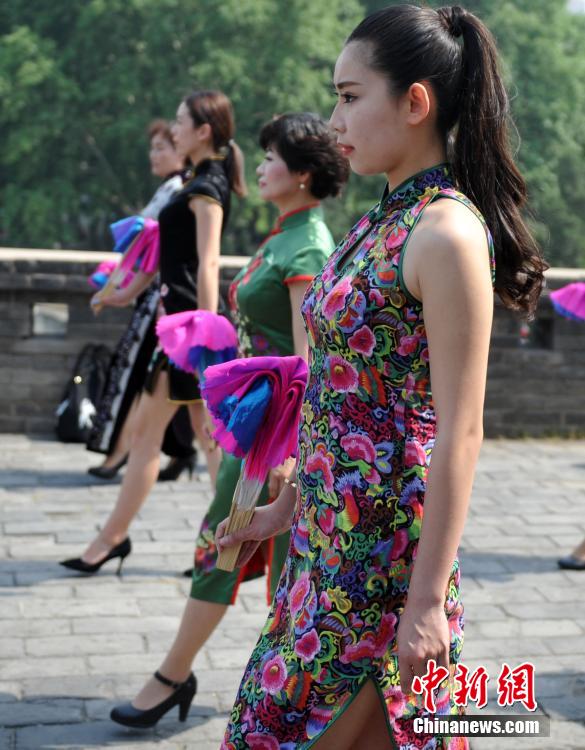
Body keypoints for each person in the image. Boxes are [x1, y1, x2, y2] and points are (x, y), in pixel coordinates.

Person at [216, 5, 547, 749]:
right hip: (324, 547)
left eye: (349, 95)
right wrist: (286, 507)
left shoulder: (446, 233)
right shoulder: (382, 219)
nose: (335, 118)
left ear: (415, 102)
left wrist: (425, 602)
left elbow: (460, 430)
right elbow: (339, 389)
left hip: (384, 565)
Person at [109, 112, 350, 729]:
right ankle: (211, 680)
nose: (259, 167)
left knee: (246, 547)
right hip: (255, 427)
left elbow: (309, 361)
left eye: (271, 158)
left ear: (302, 174)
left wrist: (290, 454)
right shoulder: (285, 235)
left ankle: (191, 680)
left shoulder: (308, 246)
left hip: (276, 437)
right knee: (233, 545)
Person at [60, 89, 246, 575]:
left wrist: (204, 334)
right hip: (180, 330)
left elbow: (208, 263)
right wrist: (118, 293)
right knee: (197, 439)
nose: (174, 128)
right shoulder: (195, 181)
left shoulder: (207, 186)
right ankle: (224, 544)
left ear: (203, 131)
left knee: (189, 439)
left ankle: (221, 544)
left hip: (189, 332)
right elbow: (165, 259)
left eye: (182, 122)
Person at [87, 119, 197, 482]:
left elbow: (151, 254)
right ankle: (181, 450)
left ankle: (118, 451)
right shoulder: (177, 188)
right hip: (161, 294)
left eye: (162, 147)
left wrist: (119, 290)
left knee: (135, 371)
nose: (154, 154)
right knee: (169, 379)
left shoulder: (182, 190)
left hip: (160, 296)